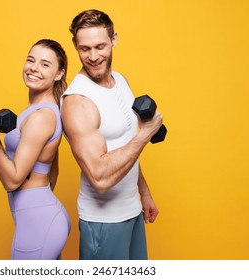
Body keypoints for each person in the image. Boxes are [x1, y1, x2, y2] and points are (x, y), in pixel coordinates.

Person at [60, 9, 163, 260]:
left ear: (114, 39)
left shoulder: (120, 80)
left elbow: (125, 146)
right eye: (85, 49)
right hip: (104, 223)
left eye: (100, 46)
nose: (93, 57)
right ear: (75, 46)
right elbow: (100, 179)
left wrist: (144, 193)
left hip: (132, 211)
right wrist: (146, 134)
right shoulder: (78, 102)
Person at [0, 39, 70, 260]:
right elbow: (53, 172)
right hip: (39, 216)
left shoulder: (41, 117)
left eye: (45, 64)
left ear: (59, 74)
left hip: (38, 221)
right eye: (30, 60)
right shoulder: (39, 111)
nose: (34, 68)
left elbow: (12, 181)